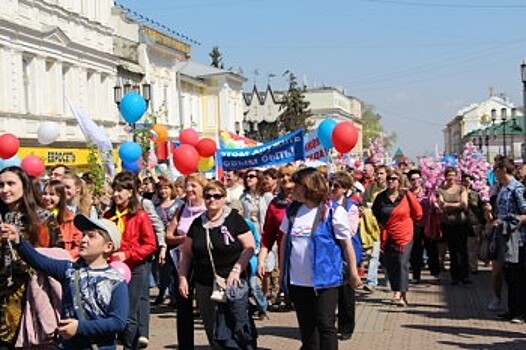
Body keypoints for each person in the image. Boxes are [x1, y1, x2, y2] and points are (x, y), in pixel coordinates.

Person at [2, 214, 129, 350]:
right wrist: (18, 240)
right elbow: (37, 260)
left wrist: (79, 327)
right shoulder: (69, 270)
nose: (83, 240)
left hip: (99, 347)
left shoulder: (115, 281)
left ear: (108, 247)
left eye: (91, 236)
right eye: (84, 235)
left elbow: (117, 322)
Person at [280, 167, 361, 350]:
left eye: (297, 185)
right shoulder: (292, 210)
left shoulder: (332, 211)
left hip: (325, 280)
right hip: (298, 280)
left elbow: (346, 244)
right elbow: (285, 242)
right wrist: (282, 273)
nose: (293, 189)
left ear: (309, 186)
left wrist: (354, 273)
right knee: (307, 329)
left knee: (325, 325)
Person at [178, 180, 257, 349]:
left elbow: (249, 247)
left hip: (232, 283)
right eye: (208, 196)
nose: (212, 199)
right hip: (205, 284)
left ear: (224, 198)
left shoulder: (234, 219)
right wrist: (183, 277)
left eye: (216, 196)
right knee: (214, 331)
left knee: (238, 327)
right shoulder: (198, 223)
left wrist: (237, 269)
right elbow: (186, 253)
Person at [104, 172, 157, 350]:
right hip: (112, 269)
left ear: (130, 192)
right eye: (115, 190)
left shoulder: (140, 215)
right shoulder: (108, 215)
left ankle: (129, 346)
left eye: (121, 190)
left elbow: (150, 244)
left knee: (129, 314)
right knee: (113, 312)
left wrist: (128, 254)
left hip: (135, 268)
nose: (116, 194)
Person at [165, 173, 208, 350]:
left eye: (194, 186)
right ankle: (185, 345)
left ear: (202, 189)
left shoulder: (209, 208)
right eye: (188, 186)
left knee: (208, 304)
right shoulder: (181, 209)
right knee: (183, 306)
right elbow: (168, 235)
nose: (189, 190)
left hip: (204, 262)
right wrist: (183, 239)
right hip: (182, 262)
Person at [372, 169, 422, 306]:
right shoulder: (381, 197)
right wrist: (383, 224)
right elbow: (375, 212)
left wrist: (408, 223)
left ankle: (400, 294)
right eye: (389, 178)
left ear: (399, 181)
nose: (391, 181)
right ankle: (399, 291)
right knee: (391, 264)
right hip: (388, 234)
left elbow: (418, 213)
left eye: (394, 179)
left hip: (405, 234)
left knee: (401, 262)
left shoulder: (406, 195)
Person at [491, 158, 526, 323]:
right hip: (504, 237)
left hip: (517, 239)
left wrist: (510, 221)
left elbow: (525, 213)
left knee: (518, 275)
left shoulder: (517, 189)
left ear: (503, 170)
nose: (494, 173)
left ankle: (520, 311)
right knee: (509, 275)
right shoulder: (503, 189)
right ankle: (512, 309)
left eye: (496, 169)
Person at [329, 171, 361, 341]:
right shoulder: (325, 204)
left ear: (346, 189)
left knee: (346, 293)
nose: (333, 189)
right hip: (330, 254)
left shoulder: (351, 207)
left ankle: (346, 327)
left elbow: (350, 231)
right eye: (331, 185)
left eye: (337, 186)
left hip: (346, 255)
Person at [258, 164, 296, 310]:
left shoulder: (307, 200)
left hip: (308, 258)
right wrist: (262, 260)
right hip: (285, 258)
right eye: (282, 176)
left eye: (289, 175)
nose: (285, 178)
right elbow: (267, 236)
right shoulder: (275, 204)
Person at [153, 176, 184, 306]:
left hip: (177, 240)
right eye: (161, 188)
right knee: (163, 270)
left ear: (171, 189)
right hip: (162, 242)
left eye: (166, 188)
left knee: (177, 269)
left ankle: (175, 296)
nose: (163, 191)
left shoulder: (179, 204)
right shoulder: (155, 207)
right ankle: (163, 293)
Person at [437, 167, 471, 285]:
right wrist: (455, 205)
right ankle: (455, 276)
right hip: (448, 225)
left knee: (462, 250)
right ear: (445, 176)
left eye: (453, 175)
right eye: (449, 175)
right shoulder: (441, 190)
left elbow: (464, 204)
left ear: (457, 176)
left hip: (461, 224)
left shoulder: (461, 188)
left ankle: (465, 275)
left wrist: (448, 205)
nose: (451, 177)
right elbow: (441, 205)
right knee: (452, 251)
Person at [41, 179, 82, 259]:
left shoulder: (70, 219)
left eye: (52, 194)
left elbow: (78, 246)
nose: (47, 197)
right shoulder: (35, 217)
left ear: (61, 197)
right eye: (45, 194)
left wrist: (66, 257)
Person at [363, 165, 388, 293]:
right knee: (373, 255)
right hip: (373, 226)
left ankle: (389, 280)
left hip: (388, 227)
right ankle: (371, 282)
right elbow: (364, 202)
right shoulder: (370, 188)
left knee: (386, 256)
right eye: (377, 173)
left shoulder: (391, 189)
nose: (379, 176)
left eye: (382, 173)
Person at [462, 173, 486, 274]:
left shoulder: (476, 194)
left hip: (474, 222)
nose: (466, 182)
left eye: (468, 180)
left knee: (473, 246)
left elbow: (479, 207)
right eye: (464, 180)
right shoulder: (459, 192)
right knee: (464, 246)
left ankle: (473, 267)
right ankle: (466, 265)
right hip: (462, 222)